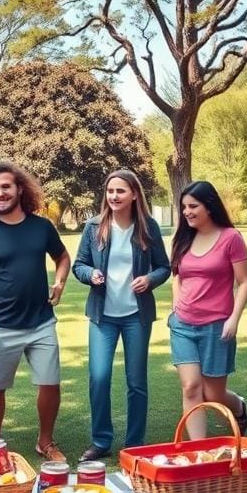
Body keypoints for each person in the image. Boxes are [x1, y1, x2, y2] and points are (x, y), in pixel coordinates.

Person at [0, 161, 71, 463]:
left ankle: (46, 442)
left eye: (5, 187)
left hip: (41, 322)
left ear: (19, 188)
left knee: (50, 383)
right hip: (2, 325)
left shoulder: (42, 226)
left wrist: (60, 281)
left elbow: (62, 257)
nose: (0, 193)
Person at [73, 170, 170, 461]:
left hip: (135, 316)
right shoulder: (93, 226)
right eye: (110, 191)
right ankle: (101, 441)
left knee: (136, 381)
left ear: (134, 195)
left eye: (120, 191)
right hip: (103, 316)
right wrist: (91, 274)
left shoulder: (148, 227)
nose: (114, 196)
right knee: (99, 377)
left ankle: (134, 444)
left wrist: (149, 279)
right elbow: (79, 264)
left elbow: (164, 267)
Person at [168, 181, 247, 439]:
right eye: (184, 207)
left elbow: (244, 282)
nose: (187, 212)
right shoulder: (182, 237)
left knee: (213, 394)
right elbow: (177, 276)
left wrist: (234, 319)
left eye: (193, 206)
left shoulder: (231, 238)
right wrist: (176, 305)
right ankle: (198, 449)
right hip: (182, 324)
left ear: (210, 206)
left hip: (217, 325)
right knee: (191, 386)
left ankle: (238, 406)